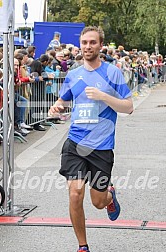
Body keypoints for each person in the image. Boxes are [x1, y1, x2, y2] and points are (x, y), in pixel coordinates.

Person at [48, 26, 133, 252]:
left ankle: (109, 195)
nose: (88, 46)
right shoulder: (74, 74)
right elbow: (63, 100)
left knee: (97, 202)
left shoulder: (112, 72)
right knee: (75, 194)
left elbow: (129, 107)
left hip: (101, 147)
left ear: (100, 45)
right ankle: (82, 246)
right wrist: (56, 107)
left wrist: (104, 96)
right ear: (80, 45)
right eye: (84, 42)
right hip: (75, 143)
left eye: (92, 42)